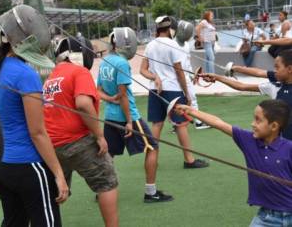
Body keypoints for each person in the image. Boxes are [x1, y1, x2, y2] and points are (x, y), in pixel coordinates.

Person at [0, 5, 69, 227]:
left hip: (1, 167)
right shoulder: (25, 74)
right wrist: (59, 174)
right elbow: (37, 132)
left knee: (14, 221)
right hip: (27, 165)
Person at [175, 99, 292, 227]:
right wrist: (191, 111)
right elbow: (218, 123)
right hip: (267, 217)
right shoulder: (248, 140)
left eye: (258, 120)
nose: (253, 124)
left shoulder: (289, 148)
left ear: (274, 126)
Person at [43, 36, 119, 226]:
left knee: (55, 193)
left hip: (52, 147)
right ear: (81, 53)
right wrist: (100, 135)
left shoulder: (51, 77)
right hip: (79, 141)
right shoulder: (79, 71)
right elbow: (83, 104)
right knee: (107, 183)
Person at [97, 27, 173, 203]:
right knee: (152, 147)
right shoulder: (122, 63)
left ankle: (102, 189)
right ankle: (150, 192)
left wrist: (110, 99)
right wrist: (129, 121)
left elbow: (98, 91)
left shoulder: (105, 61)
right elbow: (123, 94)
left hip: (110, 116)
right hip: (127, 116)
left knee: (109, 154)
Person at [140, 16, 209, 169]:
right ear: (170, 29)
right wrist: (187, 94)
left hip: (154, 90)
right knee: (181, 125)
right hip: (173, 90)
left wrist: (155, 77)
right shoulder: (172, 45)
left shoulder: (150, 45)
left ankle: (151, 159)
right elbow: (179, 72)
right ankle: (189, 160)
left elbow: (142, 70)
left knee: (156, 124)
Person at [202, 49, 292, 141]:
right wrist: (218, 77)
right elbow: (242, 86)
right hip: (283, 143)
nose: (274, 71)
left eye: (277, 67)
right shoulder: (274, 87)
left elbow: (259, 73)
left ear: (289, 69)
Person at [170, 19, 210, 130]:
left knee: (191, 98)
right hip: (176, 76)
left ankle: (195, 122)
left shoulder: (186, 45)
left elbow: (187, 61)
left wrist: (192, 74)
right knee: (179, 100)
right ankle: (186, 123)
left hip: (185, 76)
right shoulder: (172, 44)